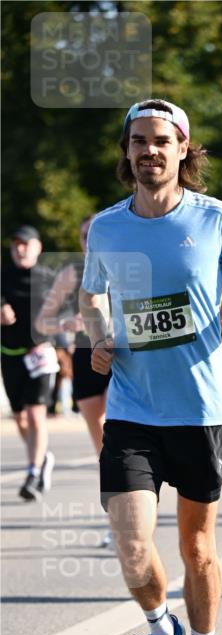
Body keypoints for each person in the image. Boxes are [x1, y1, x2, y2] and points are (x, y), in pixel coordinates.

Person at [79, 98, 222, 635]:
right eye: (138, 141)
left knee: (197, 551)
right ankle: (160, 629)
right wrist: (98, 336)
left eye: (161, 141)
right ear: (127, 151)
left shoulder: (216, 219)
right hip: (134, 409)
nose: (149, 151)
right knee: (133, 548)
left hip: (200, 410)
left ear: (183, 149)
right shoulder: (108, 227)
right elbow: (92, 296)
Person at [36, 216, 114, 545]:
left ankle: (132, 517)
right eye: (84, 236)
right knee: (104, 450)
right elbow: (43, 322)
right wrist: (67, 322)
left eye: (93, 234)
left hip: (119, 355)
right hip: (85, 355)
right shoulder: (70, 274)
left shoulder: (121, 265)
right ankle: (117, 521)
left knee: (118, 436)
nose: (88, 241)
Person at [1, 225, 57, 501]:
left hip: (40, 354)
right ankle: (42, 457)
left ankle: (33, 473)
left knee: (36, 415)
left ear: (38, 248)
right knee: (20, 417)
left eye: (26, 244)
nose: (20, 249)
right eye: (15, 245)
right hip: (10, 355)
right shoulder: (3, 276)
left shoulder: (49, 278)